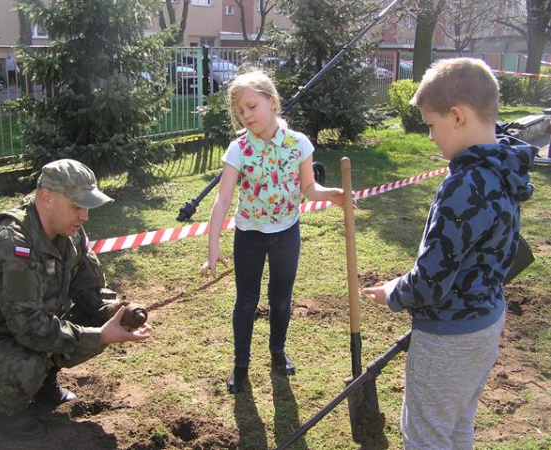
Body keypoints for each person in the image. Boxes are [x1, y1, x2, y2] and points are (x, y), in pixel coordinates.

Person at [362, 58, 537, 449]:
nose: (429, 137)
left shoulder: (463, 186)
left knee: (425, 436)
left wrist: (393, 292)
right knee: (457, 425)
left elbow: (430, 284)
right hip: (486, 323)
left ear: (456, 116)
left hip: (448, 338)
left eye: (430, 125)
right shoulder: (505, 170)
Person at [0, 159, 151, 439]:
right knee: (31, 359)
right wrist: (101, 336)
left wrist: (116, 311)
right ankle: (7, 411)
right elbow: (31, 329)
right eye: (76, 206)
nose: (85, 216)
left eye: (87, 207)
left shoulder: (71, 233)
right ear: (46, 198)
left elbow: (89, 290)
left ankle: (43, 382)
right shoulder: (11, 243)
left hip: (25, 328)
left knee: (96, 319)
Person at [200, 70, 345, 393]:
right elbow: (223, 199)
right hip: (249, 235)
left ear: (273, 102)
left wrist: (330, 193)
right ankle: (241, 365)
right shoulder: (238, 148)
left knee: (280, 300)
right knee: (246, 302)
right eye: (240, 111)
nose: (246, 115)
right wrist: (213, 246)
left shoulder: (299, 144)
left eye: (251, 106)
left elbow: (308, 188)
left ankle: (278, 351)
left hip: (286, 234)